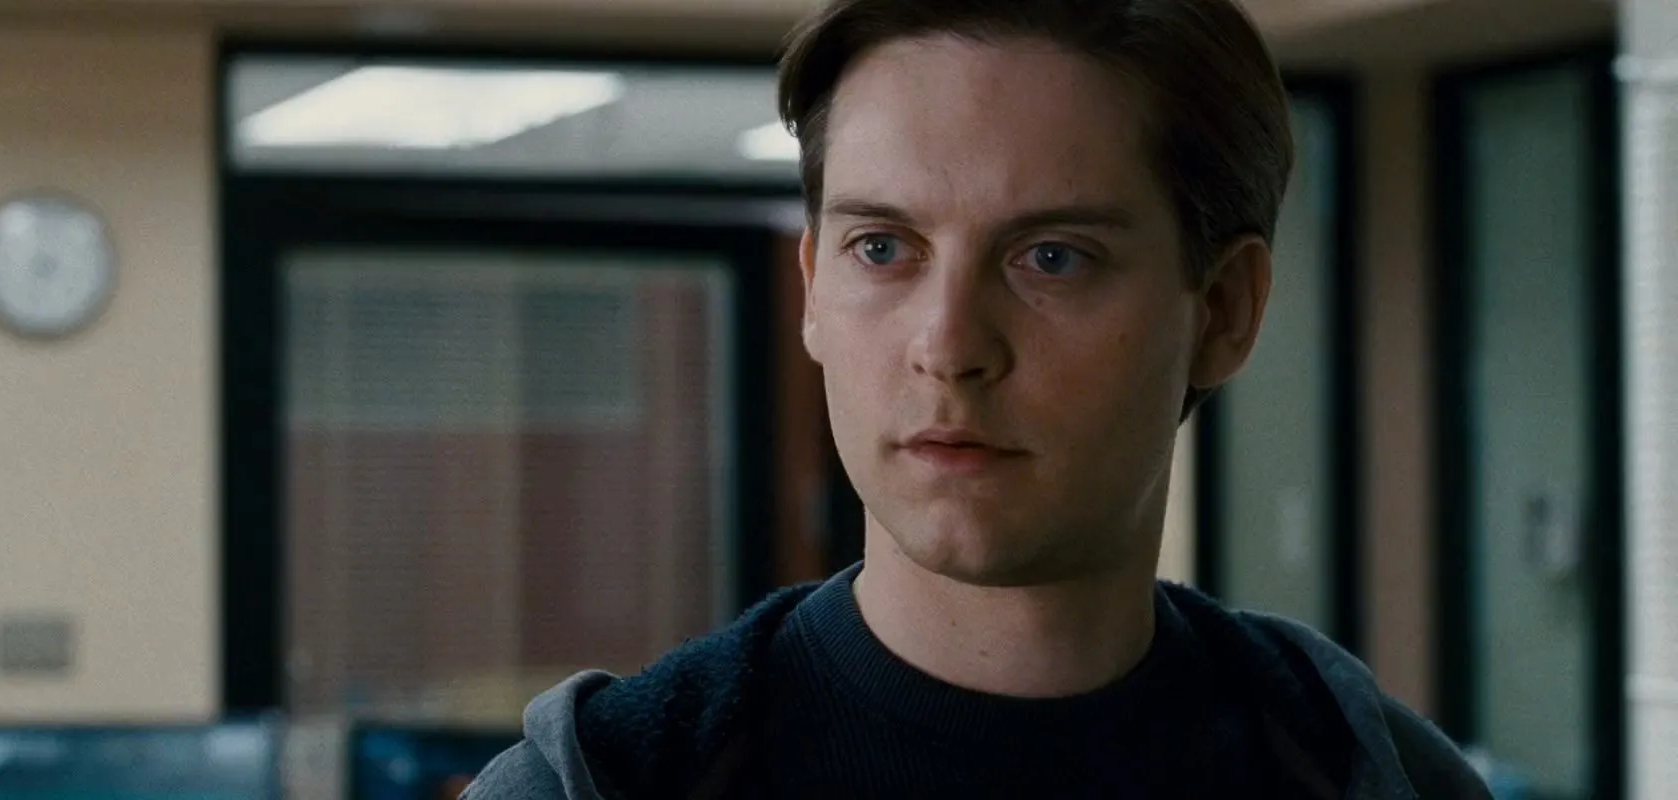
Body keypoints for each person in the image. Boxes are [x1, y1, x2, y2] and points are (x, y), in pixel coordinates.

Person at [464, 0, 1490, 797]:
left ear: (1223, 309)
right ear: (814, 289)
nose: (949, 347)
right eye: (883, 248)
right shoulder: (611, 781)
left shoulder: (1372, 773)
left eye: (1052, 257)